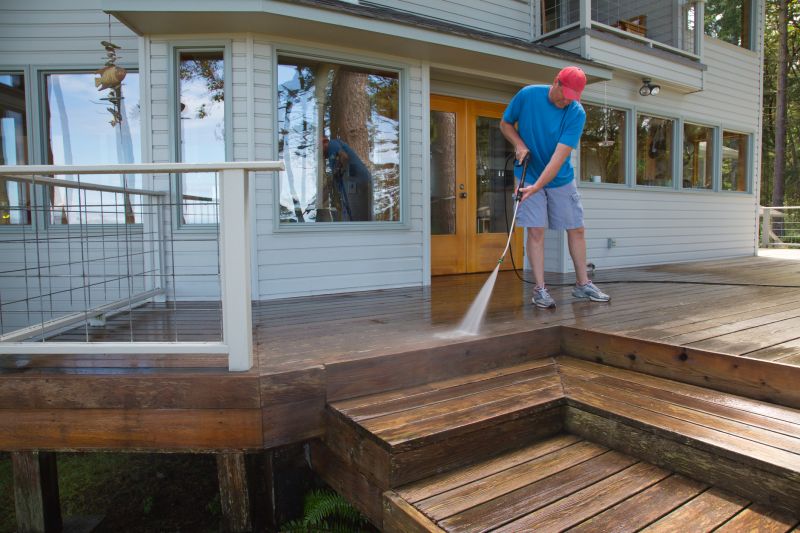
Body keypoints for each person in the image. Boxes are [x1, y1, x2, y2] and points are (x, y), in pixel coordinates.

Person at [499, 66, 610, 308]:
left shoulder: (576, 113)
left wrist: (538, 186)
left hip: (559, 177)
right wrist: (518, 144)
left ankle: (583, 285)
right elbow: (505, 124)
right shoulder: (527, 96)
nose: (566, 102)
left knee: (576, 229)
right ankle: (540, 289)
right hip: (528, 174)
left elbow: (557, 160)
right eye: (565, 95)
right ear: (556, 82)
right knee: (536, 231)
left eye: (573, 98)